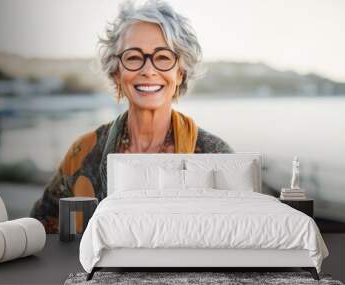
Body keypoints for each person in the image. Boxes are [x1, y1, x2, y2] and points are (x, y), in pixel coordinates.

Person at [30, 0, 233, 233]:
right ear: (117, 72)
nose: (148, 70)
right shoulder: (83, 153)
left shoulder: (216, 155)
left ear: (180, 73)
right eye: (134, 57)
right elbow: (40, 230)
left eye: (164, 57)